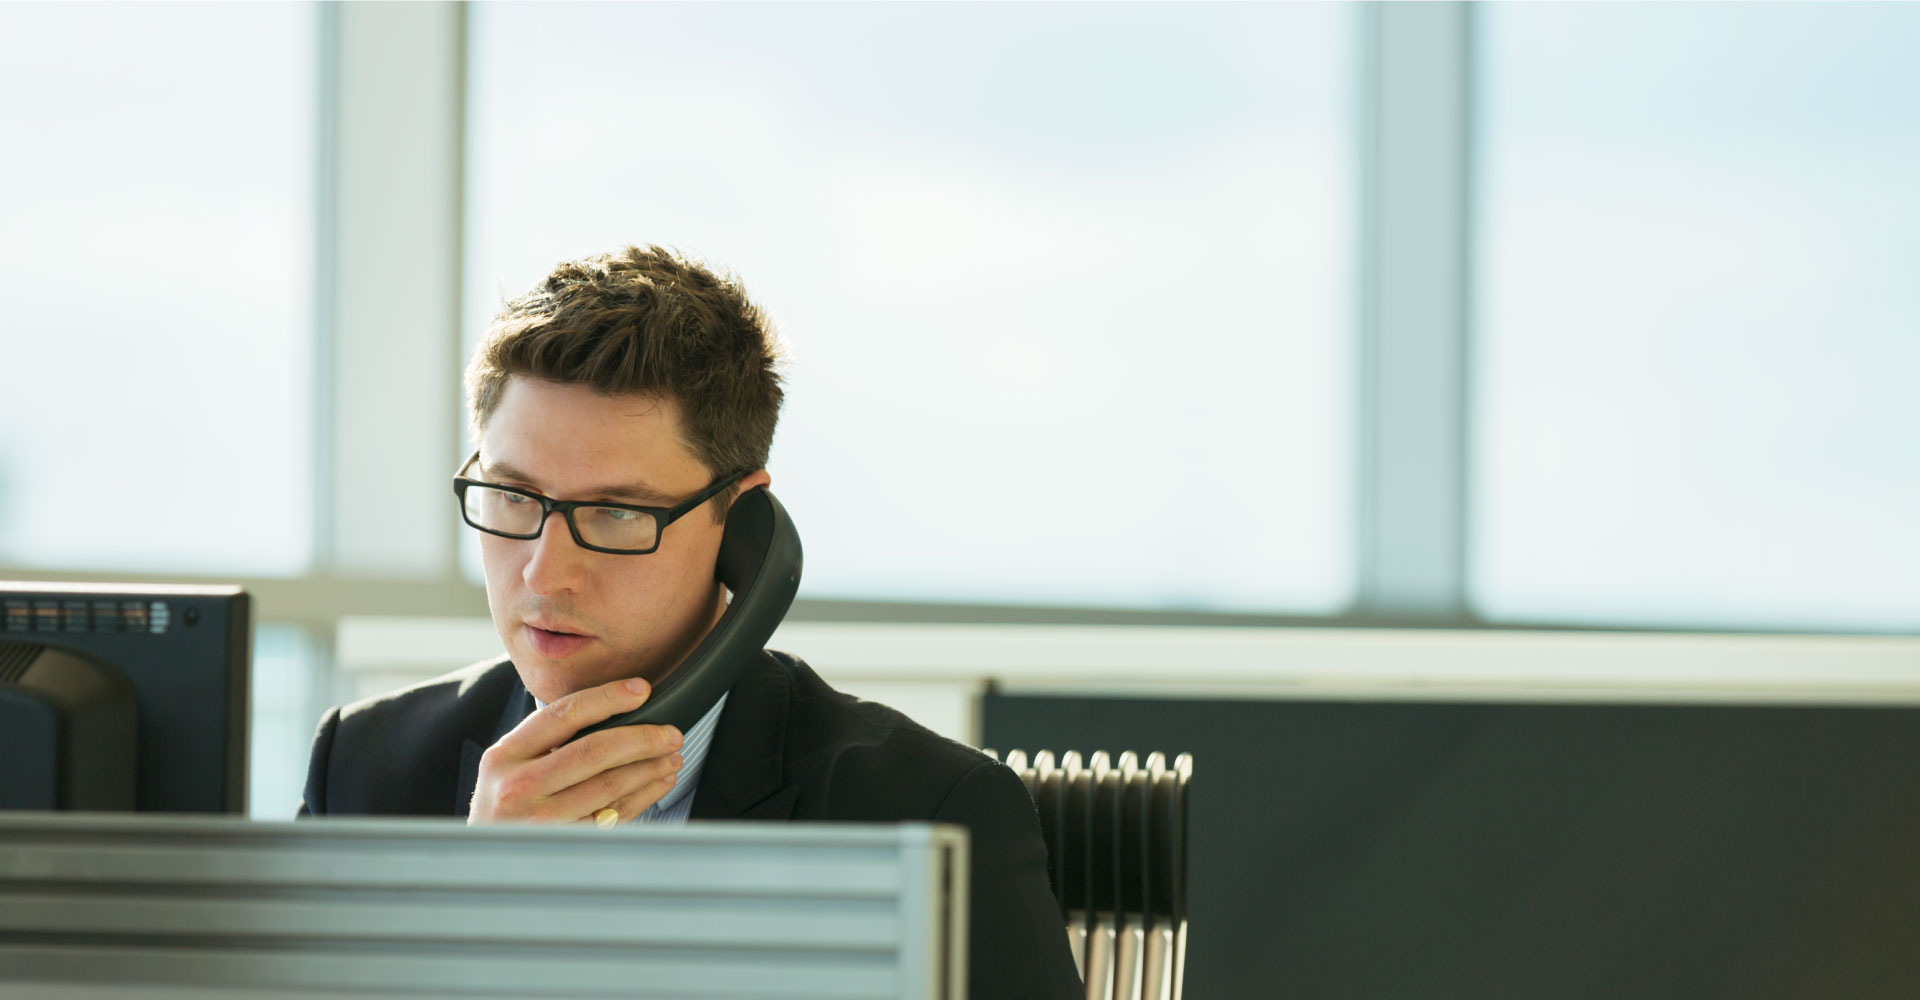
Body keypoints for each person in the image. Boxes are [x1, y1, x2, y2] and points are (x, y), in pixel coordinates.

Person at [298, 245, 1083, 998]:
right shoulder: (366, 771)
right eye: (512, 498)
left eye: (613, 512)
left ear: (740, 527)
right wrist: (474, 919)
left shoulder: (929, 815)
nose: (544, 572)